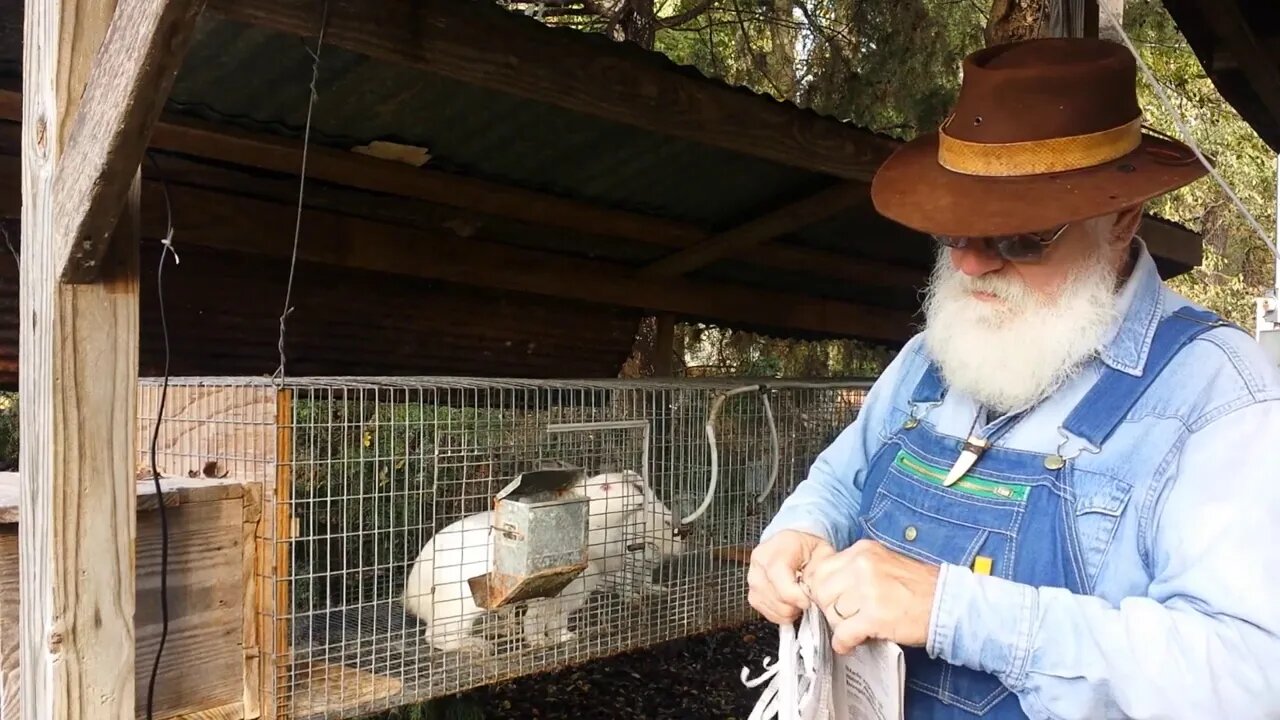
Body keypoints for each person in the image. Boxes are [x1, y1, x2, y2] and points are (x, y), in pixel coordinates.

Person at [746, 36, 1280, 720]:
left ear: (1122, 218)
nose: (971, 265)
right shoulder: (930, 359)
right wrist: (799, 530)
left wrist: (955, 610)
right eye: (954, 232)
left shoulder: (1218, 397)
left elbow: (1249, 675)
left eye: (1021, 236)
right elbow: (837, 483)